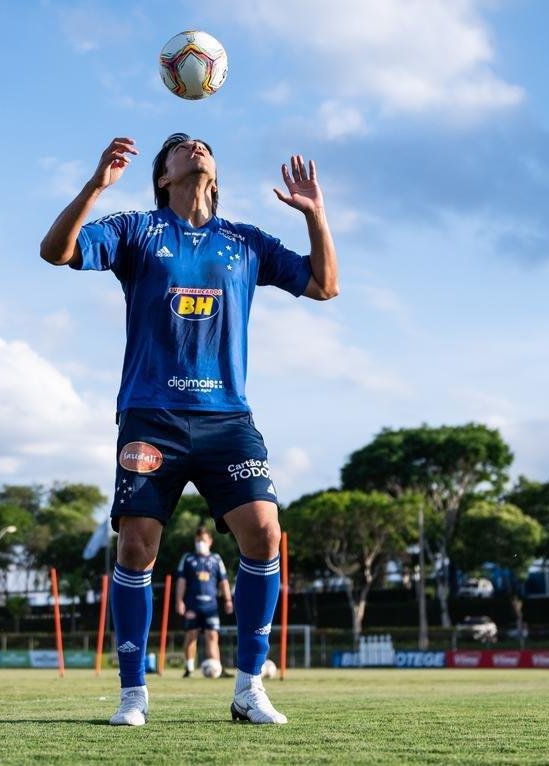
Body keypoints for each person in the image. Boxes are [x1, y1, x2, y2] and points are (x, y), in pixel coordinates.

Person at [39, 133, 338, 726]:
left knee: (264, 534)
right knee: (136, 546)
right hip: (152, 417)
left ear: (214, 172)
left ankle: (250, 687)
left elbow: (324, 285)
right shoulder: (135, 231)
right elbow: (55, 251)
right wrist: (95, 188)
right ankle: (133, 694)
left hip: (229, 419)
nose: (194, 148)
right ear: (162, 177)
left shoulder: (245, 242)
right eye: (180, 147)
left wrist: (316, 217)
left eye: (202, 144)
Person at [175, 526, 233, 678]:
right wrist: (179, 601)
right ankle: (189, 668)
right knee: (191, 635)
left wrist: (228, 599)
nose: (200, 543)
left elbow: (224, 581)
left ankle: (216, 668)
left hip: (211, 605)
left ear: (210, 541)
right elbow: (181, 581)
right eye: (198, 540)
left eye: (203, 540)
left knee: (212, 635)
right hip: (192, 604)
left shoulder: (216, 559)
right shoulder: (188, 558)